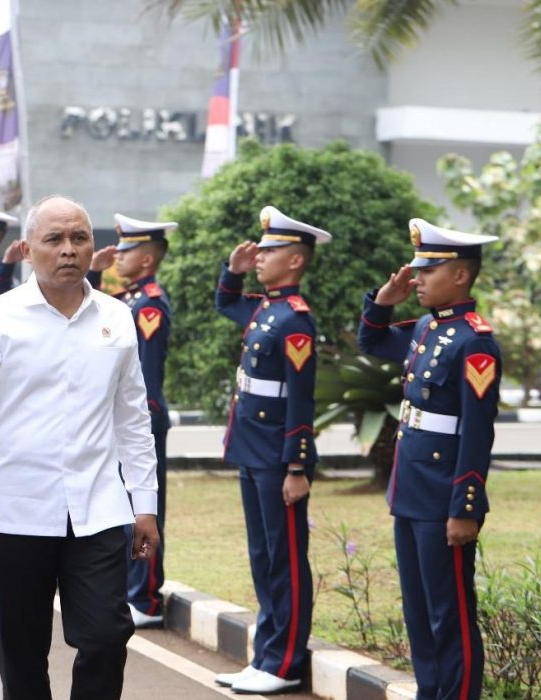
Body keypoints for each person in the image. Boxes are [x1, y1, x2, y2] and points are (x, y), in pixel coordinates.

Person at [0, 195, 160, 700]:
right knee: (22, 648)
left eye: (79, 238)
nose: (69, 250)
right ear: (27, 250)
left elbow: (132, 419)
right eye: (54, 239)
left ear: (93, 247)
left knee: (108, 635)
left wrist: (145, 504)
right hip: (16, 514)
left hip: (99, 508)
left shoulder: (118, 318)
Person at [357, 219, 500, 700]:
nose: (415, 278)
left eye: (427, 270)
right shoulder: (425, 326)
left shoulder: (474, 342)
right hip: (411, 489)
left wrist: (465, 507)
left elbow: (477, 436)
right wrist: (383, 300)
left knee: (450, 613)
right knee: (419, 611)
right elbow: (372, 341)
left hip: (443, 496)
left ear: (460, 275)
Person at [213, 205, 330, 694]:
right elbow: (227, 304)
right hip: (252, 450)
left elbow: (301, 401)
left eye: (270, 251)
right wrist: (232, 274)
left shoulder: (295, 322)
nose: (259, 257)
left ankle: (283, 663)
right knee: (263, 556)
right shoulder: (267, 310)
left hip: (278, 459)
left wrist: (298, 465)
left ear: (296, 261)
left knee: (285, 558)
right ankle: (266, 654)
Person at [88, 213, 175, 628]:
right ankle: (132, 588)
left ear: (146, 259)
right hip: (118, 417)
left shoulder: (150, 305)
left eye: (126, 250)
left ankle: (146, 594)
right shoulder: (127, 299)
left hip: (142, 417)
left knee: (145, 504)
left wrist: (143, 420)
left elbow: (147, 372)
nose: (117, 256)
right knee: (123, 503)